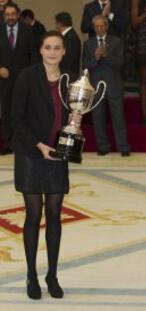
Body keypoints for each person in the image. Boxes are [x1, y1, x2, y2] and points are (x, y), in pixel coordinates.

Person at [11, 30, 79, 300]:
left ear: (64, 51)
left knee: (54, 215)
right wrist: (39, 145)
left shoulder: (71, 80)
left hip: (58, 155)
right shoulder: (27, 76)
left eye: (57, 47)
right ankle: (32, 275)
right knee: (33, 215)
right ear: (41, 50)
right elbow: (15, 119)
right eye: (48, 47)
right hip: (31, 153)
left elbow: (74, 115)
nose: (52, 51)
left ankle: (52, 275)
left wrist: (76, 122)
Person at [82, 15, 130, 156]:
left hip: (114, 85)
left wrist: (106, 55)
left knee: (118, 118)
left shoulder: (116, 42)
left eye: (101, 26)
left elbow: (120, 63)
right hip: (96, 86)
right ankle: (102, 147)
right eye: (96, 26)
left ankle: (123, 147)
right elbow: (85, 66)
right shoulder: (88, 44)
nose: (99, 29)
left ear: (106, 26)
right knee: (97, 118)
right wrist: (96, 58)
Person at [0, 2, 37, 155]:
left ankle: (23, 143)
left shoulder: (28, 30)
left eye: (13, 14)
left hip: (24, 79)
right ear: (3, 16)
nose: (10, 17)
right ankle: (8, 144)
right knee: (7, 112)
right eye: (7, 14)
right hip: (4, 79)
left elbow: (34, 54)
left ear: (18, 14)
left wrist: (30, 74)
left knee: (24, 112)